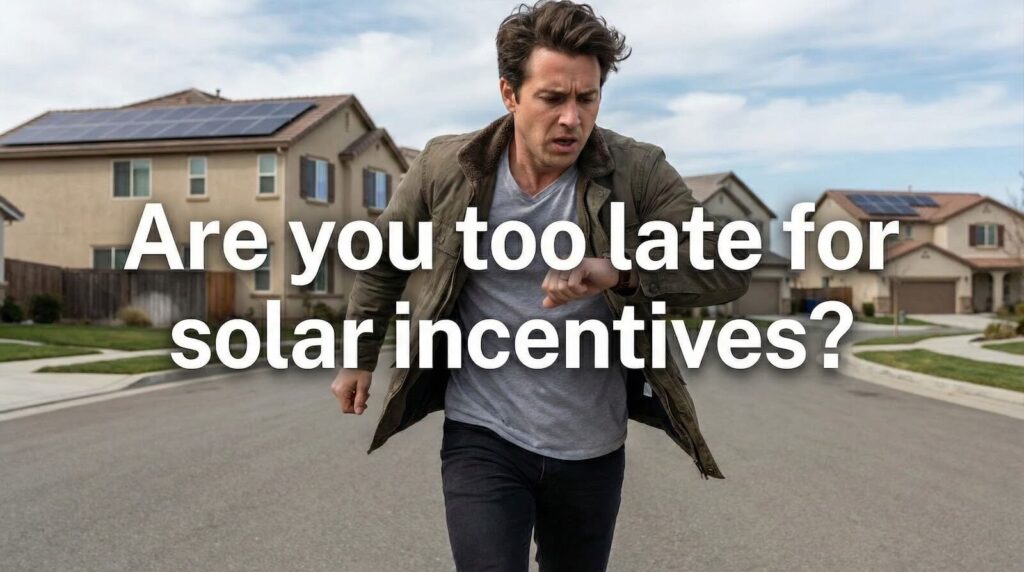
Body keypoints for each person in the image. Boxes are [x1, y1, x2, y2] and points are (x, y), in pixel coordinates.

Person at [331, 1, 750, 570]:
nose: (572, 119)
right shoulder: (446, 167)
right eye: (553, 98)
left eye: (587, 99)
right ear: (510, 93)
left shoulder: (638, 171)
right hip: (482, 432)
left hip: (591, 444)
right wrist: (358, 357)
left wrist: (621, 270)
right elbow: (383, 260)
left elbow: (727, 263)